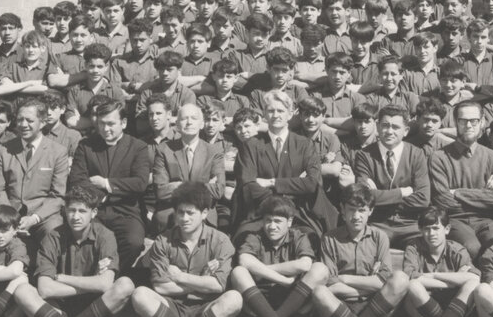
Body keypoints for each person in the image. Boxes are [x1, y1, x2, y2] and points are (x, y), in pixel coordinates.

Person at [12, 188, 136, 317]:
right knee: (22, 291)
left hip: (95, 309)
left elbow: (106, 284)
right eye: (71, 210)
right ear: (64, 211)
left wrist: (61, 277)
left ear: (93, 213)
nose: (76, 216)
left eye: (82, 211)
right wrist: (94, 283)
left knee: (126, 285)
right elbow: (45, 289)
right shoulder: (53, 237)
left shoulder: (105, 236)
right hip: (59, 311)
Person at [132, 182, 242, 317]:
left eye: (190, 213)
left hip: (206, 308)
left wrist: (180, 277)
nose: (184, 218)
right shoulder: (163, 241)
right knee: (139, 295)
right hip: (172, 307)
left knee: (234, 299)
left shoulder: (220, 240)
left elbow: (218, 285)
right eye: (180, 212)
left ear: (204, 213)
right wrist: (201, 283)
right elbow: (160, 286)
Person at [310, 183, 415, 317]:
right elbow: (331, 285)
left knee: (401, 279)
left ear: (370, 211)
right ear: (342, 210)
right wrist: (369, 285)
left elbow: (383, 280)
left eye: (362, 210)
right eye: (351, 209)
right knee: (319, 293)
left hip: (373, 306)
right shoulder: (330, 238)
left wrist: (345, 278)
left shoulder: (379, 237)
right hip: (341, 306)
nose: (356, 216)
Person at [0, 97, 69, 256]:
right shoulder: (4, 150)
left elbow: (57, 196)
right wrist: (11, 220)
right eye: (20, 119)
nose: (23, 124)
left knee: (53, 232)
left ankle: (44, 276)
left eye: (29, 120)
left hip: (42, 215)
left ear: (42, 122)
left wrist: (34, 218)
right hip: (7, 210)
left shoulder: (58, 152)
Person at [234, 91, 336, 240]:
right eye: (271, 110)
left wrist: (272, 183)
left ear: (290, 114)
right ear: (264, 115)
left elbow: (312, 183)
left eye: (280, 111)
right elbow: (248, 184)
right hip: (261, 213)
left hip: (296, 214)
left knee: (311, 238)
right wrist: (291, 188)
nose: (276, 115)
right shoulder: (251, 145)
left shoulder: (304, 144)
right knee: (244, 238)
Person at [69, 99, 151, 278]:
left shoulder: (138, 147)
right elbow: (77, 180)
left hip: (126, 211)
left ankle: (111, 276)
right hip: (93, 210)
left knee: (134, 242)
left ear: (124, 123)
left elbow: (140, 183)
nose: (105, 129)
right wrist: (102, 197)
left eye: (111, 124)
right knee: (83, 240)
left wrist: (106, 183)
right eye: (101, 124)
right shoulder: (86, 145)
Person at [229, 196, 322, 317]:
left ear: (290, 222)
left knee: (320, 269)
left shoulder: (298, 236)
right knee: (238, 272)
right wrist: (283, 280)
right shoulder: (255, 237)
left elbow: (305, 264)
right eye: (268, 220)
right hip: (260, 305)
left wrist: (261, 269)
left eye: (278, 221)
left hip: (291, 304)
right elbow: (244, 260)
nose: (272, 226)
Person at [402, 207, 490, 317]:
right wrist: (453, 281)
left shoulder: (456, 249)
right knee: (413, 285)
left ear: (447, 229)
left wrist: (434, 276)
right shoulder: (414, 247)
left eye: (436, 228)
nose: (431, 234)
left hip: (450, 307)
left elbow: (474, 276)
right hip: (422, 311)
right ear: (420, 230)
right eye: (426, 229)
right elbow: (410, 275)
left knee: (472, 284)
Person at [428, 100, 493, 259]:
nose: (468, 125)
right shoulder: (438, 157)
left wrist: (458, 193)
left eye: (474, 120)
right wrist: (484, 194)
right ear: (456, 122)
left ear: (482, 122)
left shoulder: (492, 156)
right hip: (455, 220)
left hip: (488, 220)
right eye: (463, 121)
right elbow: (443, 201)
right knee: (472, 248)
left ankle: (492, 283)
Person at [352, 105, 430, 248]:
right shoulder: (364, 156)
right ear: (377, 126)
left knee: (423, 250)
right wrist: (403, 192)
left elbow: (423, 199)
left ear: (406, 131)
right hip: (377, 223)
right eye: (385, 125)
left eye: (395, 127)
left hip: (410, 225)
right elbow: (363, 198)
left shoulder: (417, 154)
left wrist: (379, 197)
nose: (389, 131)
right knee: (366, 249)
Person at [152, 103, 224, 233]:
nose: (189, 122)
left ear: (202, 124)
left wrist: (178, 185)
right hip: (171, 211)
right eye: (184, 118)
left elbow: (218, 190)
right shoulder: (164, 149)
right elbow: (161, 191)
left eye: (194, 118)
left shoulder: (214, 152)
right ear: (177, 125)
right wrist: (203, 186)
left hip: (203, 211)